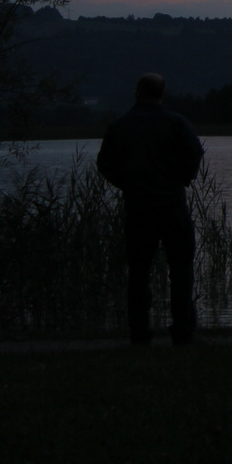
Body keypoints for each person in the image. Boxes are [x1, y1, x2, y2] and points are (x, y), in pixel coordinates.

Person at [96, 73, 205, 345]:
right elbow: (194, 155)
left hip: (138, 207)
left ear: (137, 93)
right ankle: (182, 332)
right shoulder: (176, 123)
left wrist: (127, 184)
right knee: (181, 271)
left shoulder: (120, 126)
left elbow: (105, 164)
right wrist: (181, 179)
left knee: (139, 272)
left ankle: (140, 333)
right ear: (162, 94)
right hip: (172, 205)